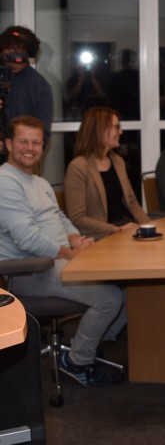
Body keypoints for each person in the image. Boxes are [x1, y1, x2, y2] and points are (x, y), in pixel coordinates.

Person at [0, 116, 125, 388]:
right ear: (8, 144)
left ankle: (88, 344)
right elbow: (26, 239)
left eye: (37, 142)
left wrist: (74, 238)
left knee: (124, 286)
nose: (31, 148)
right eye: (24, 141)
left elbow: (62, 217)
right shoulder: (5, 182)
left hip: (59, 259)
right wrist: (70, 252)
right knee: (111, 297)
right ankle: (77, 361)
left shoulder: (40, 182)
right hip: (30, 270)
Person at [64, 107, 150, 240]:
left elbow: (132, 202)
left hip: (127, 230)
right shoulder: (78, 167)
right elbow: (78, 218)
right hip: (102, 236)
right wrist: (116, 230)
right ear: (101, 130)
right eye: (116, 127)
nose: (120, 132)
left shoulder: (118, 161)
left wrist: (149, 226)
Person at [0, 26, 54, 160]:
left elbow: (42, 135)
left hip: (20, 163)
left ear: (28, 53)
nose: (11, 53)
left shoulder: (39, 86)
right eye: (8, 49)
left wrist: (9, 147)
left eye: (17, 49)